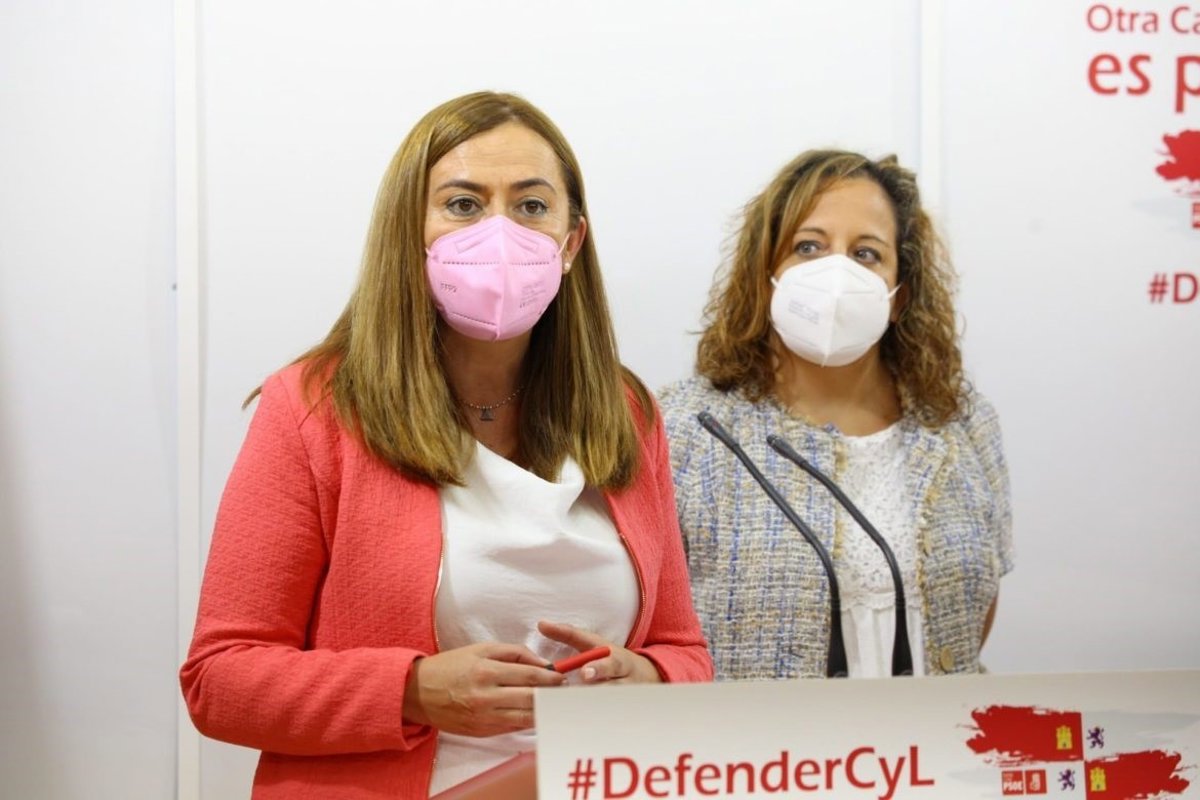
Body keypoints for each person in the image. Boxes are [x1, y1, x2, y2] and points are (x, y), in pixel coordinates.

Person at [180, 91, 712, 799]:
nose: (500, 233)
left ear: (571, 242)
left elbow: (684, 651)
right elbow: (219, 678)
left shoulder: (625, 412)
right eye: (463, 204)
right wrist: (412, 690)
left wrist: (647, 678)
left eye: (531, 206)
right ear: (412, 232)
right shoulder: (313, 408)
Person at [659, 150, 1012, 681]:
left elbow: (974, 607)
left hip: (942, 729)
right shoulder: (685, 428)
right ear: (766, 273)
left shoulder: (962, 423)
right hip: (760, 736)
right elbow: (657, 630)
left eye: (866, 254)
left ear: (899, 295)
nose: (837, 273)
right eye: (808, 247)